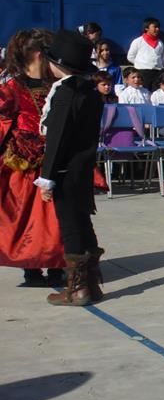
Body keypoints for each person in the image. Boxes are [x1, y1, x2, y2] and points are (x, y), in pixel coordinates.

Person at [35, 29, 104, 305]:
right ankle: (91, 284)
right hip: (83, 167)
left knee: (71, 227)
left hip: (65, 170)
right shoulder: (90, 92)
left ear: (58, 64)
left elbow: (57, 138)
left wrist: (47, 177)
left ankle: (77, 288)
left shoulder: (66, 92)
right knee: (83, 221)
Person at [0, 29, 65, 287]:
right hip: (24, 165)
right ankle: (32, 267)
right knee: (27, 218)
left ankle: (57, 265)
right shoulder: (12, 88)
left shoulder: (56, 86)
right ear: (39, 54)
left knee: (55, 218)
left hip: (54, 161)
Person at [126, 16, 164, 90]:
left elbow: (161, 57)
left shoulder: (160, 43)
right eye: (155, 27)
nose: (157, 29)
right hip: (143, 72)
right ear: (146, 28)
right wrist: (141, 63)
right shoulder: (138, 41)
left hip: (157, 72)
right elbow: (130, 57)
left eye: (158, 27)